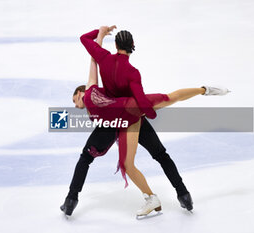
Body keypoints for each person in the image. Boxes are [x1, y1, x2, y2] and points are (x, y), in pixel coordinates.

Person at [61, 26, 229, 217]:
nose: (76, 105)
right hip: (132, 114)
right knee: (161, 147)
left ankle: (72, 199)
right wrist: (147, 112)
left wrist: (100, 34)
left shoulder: (101, 66)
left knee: (114, 162)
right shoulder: (129, 73)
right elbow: (145, 96)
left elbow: (92, 56)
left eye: (75, 100)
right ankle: (183, 194)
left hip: (122, 120)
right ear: (132, 45)